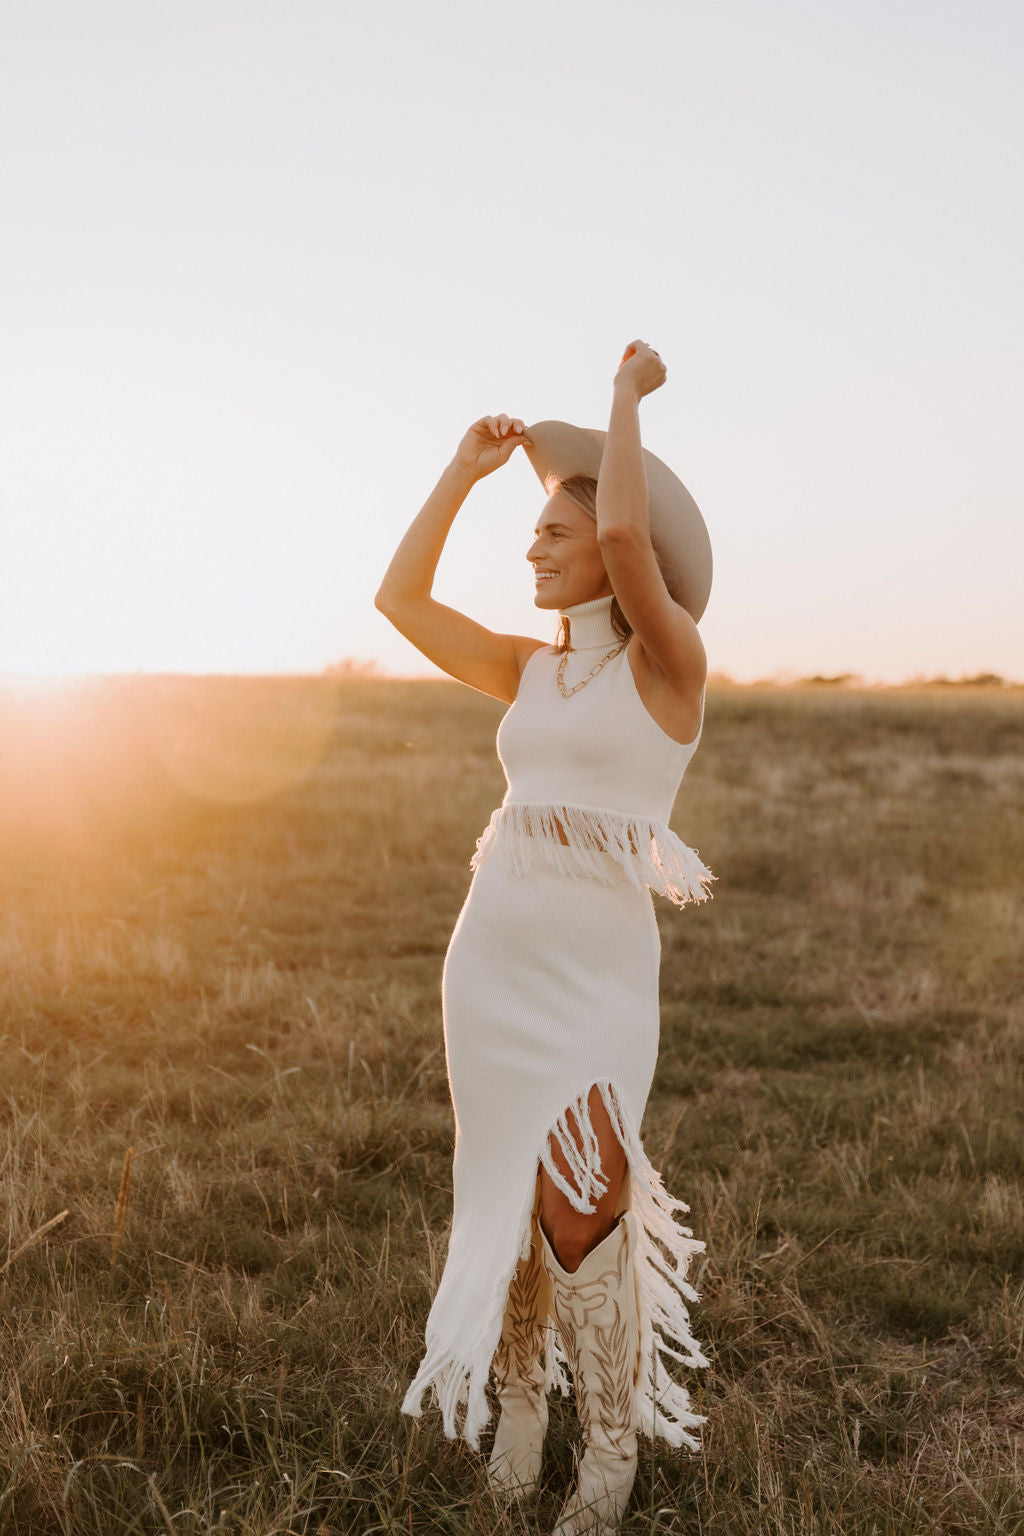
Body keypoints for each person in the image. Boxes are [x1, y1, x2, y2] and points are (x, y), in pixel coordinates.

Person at [375, 341, 713, 1536]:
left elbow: (629, 540)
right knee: (513, 1195)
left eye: (552, 535)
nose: (536, 547)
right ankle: (522, 1409)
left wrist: (622, 398)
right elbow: (399, 603)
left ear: (622, 561)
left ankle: (609, 1454)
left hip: (596, 979)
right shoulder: (528, 674)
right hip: (492, 964)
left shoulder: (671, 670)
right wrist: (463, 477)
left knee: (584, 1197)